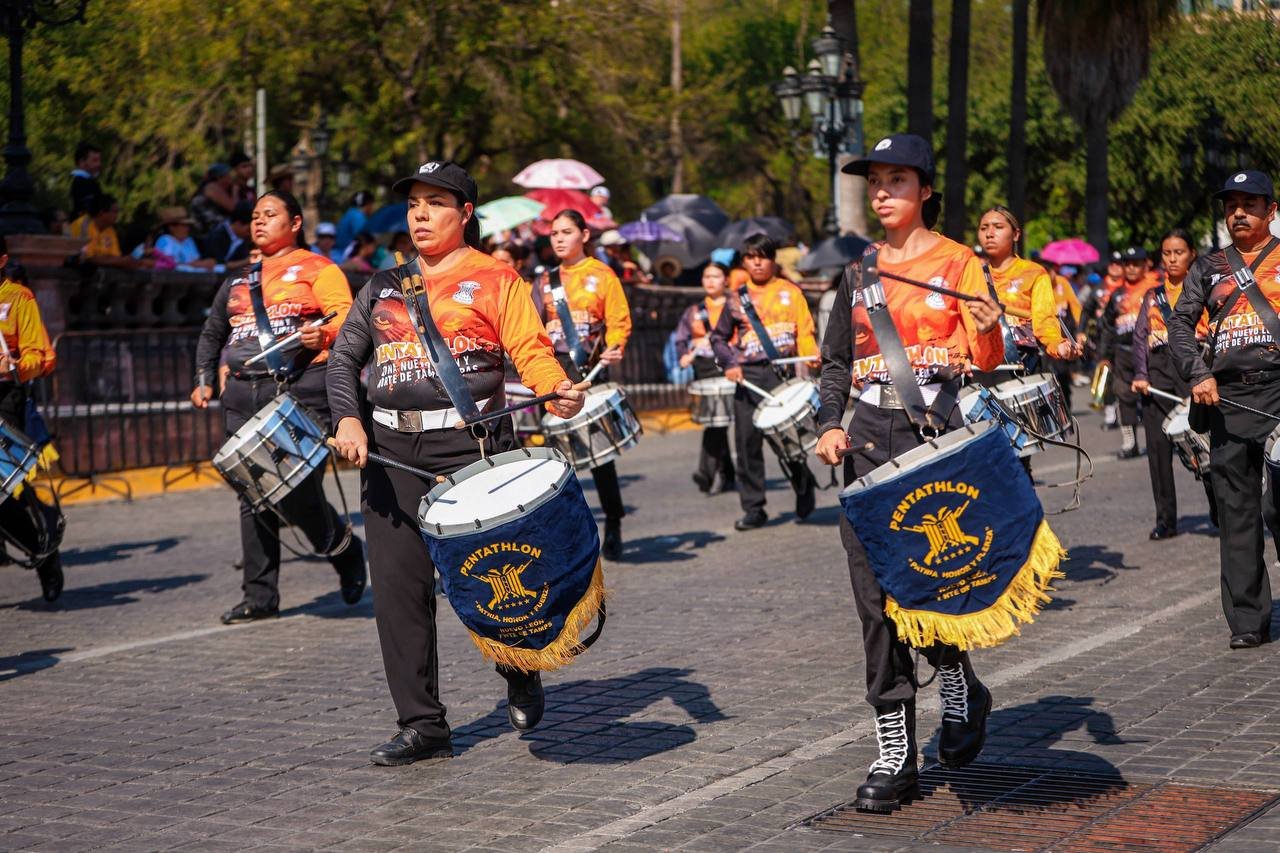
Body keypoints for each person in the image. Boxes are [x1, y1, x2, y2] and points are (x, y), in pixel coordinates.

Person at [326, 160, 585, 765]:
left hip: (473, 449)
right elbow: (343, 359)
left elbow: (530, 350)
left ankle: (518, 666)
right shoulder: (383, 285)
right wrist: (346, 419)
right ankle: (423, 725)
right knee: (399, 592)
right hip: (390, 454)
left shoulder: (497, 279)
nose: (420, 214)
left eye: (436, 203)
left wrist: (555, 386)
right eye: (414, 203)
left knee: (493, 579)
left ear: (465, 213)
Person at [814, 133, 1005, 812]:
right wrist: (829, 423)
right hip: (867, 439)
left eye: (897, 180)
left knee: (931, 579)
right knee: (874, 600)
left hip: (935, 437)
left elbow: (987, 357)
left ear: (925, 190)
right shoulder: (858, 272)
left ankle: (959, 685)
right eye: (875, 181)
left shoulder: (959, 262)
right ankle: (895, 751)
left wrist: (988, 328)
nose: (882, 192)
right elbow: (836, 362)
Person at [192, 190, 367, 625]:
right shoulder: (238, 280)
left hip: (299, 390)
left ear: (295, 223)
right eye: (255, 215)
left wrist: (323, 335)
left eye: (270, 214)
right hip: (241, 395)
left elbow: (345, 316)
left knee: (295, 489)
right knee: (252, 493)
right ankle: (260, 596)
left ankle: (344, 549)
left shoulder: (318, 268)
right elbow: (213, 332)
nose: (259, 221)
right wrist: (204, 378)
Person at [1168, 169, 1280, 650]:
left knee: (1278, 505)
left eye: (1249, 204)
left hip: (1278, 392)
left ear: (1271, 211)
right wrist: (1198, 373)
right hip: (1226, 400)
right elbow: (1179, 323)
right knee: (1236, 512)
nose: (1238, 213)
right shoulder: (1208, 266)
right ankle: (1248, 621)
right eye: (1231, 205)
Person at [535, 209, 632, 560]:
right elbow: (531, 326)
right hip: (551, 373)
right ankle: (569, 535)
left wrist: (615, 346)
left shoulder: (602, 274)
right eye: (554, 233)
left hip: (588, 370)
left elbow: (618, 321)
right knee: (558, 459)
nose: (559, 239)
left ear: (584, 235)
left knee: (600, 456)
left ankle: (614, 522)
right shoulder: (544, 281)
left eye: (566, 232)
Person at [710, 233, 819, 530]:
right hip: (748, 377)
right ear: (744, 262)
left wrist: (811, 355)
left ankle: (803, 482)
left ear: (773, 260)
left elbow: (804, 331)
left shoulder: (790, 292)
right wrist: (730, 363)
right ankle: (754, 508)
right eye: (751, 257)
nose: (757, 263)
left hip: (780, 374)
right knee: (747, 445)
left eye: (763, 257)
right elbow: (718, 338)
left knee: (788, 441)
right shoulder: (736, 298)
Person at [1132, 228, 1216, 541]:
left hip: (1193, 368)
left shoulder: (1205, 288)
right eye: (1166, 253)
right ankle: (1165, 520)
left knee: (1204, 444)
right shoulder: (1152, 295)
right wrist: (1140, 374)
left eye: (1178, 252)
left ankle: (1218, 506)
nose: (1171, 259)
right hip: (1158, 372)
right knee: (1157, 449)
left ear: (1192, 254)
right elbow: (1140, 336)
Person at [0, 237, 63, 602]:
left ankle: (42, 551)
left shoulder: (18, 298)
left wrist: (13, 367)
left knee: (5, 494)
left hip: (4, 399)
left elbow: (40, 356)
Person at [977, 205, 1079, 370]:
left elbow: (1044, 319)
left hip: (1023, 365)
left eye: (998, 227)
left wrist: (1058, 344)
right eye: (983, 228)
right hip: (980, 367)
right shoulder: (971, 273)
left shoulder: (1033, 273)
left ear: (1016, 234)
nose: (989, 233)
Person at [674, 261, 736, 495]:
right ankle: (728, 474)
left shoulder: (734, 306)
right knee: (716, 420)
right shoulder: (694, 311)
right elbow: (681, 338)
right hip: (704, 367)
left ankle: (706, 472)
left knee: (717, 420)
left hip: (728, 365)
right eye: (706, 276)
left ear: (726, 280)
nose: (710, 281)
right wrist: (684, 354)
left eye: (716, 276)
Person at [1099, 246, 1157, 458]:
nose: (1131, 268)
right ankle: (1129, 443)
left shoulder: (1155, 289)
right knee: (1124, 397)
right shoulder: (1117, 295)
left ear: (1145, 265)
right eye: (1128, 264)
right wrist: (1104, 356)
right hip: (1123, 353)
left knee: (1155, 397)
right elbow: (1107, 326)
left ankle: (1161, 441)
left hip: (1151, 351)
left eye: (1136, 264)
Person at [154, 207, 218, 272]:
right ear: (172, 227)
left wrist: (207, 263)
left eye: (187, 225)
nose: (187, 228)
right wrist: (198, 264)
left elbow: (196, 260)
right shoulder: (165, 240)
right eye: (184, 225)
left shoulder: (189, 241)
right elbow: (170, 264)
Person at [203, 201, 254, 270]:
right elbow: (218, 266)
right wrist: (247, 261)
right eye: (248, 230)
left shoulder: (242, 238)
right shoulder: (217, 235)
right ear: (238, 223)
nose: (250, 233)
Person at [190, 164, 238, 235]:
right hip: (209, 230)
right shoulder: (212, 187)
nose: (231, 179)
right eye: (228, 176)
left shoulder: (208, 187)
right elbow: (234, 208)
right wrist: (235, 191)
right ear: (220, 177)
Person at [69, 142, 103, 219]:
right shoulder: (83, 183)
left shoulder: (87, 181)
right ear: (82, 162)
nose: (99, 164)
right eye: (94, 160)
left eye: (99, 160)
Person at [336, 190, 375, 255]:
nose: (373, 207)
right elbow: (363, 238)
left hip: (339, 252)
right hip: (346, 255)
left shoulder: (350, 212)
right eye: (372, 204)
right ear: (368, 203)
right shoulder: (358, 216)